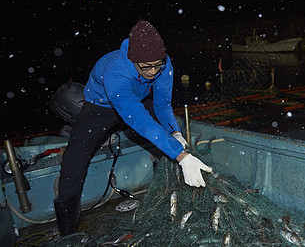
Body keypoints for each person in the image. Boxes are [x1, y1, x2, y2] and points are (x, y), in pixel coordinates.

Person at [53, 20, 212, 235]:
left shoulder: (163, 64)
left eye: (158, 65)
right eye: (147, 67)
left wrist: (175, 132)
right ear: (133, 60)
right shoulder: (115, 72)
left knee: (164, 134)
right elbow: (138, 119)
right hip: (101, 106)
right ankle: (68, 231)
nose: (154, 71)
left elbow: (162, 104)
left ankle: (165, 196)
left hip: (139, 98)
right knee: (74, 160)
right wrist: (182, 156)